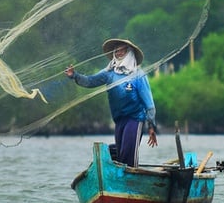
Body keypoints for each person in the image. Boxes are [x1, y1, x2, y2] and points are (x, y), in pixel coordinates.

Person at [65, 38, 157, 167]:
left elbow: (149, 104)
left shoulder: (138, 75)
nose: (118, 53)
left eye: (122, 51)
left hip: (135, 119)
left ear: (129, 52)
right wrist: (74, 75)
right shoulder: (109, 73)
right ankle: (116, 175)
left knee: (128, 154)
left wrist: (151, 126)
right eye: (116, 51)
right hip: (119, 120)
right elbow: (91, 81)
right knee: (119, 153)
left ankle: (129, 180)